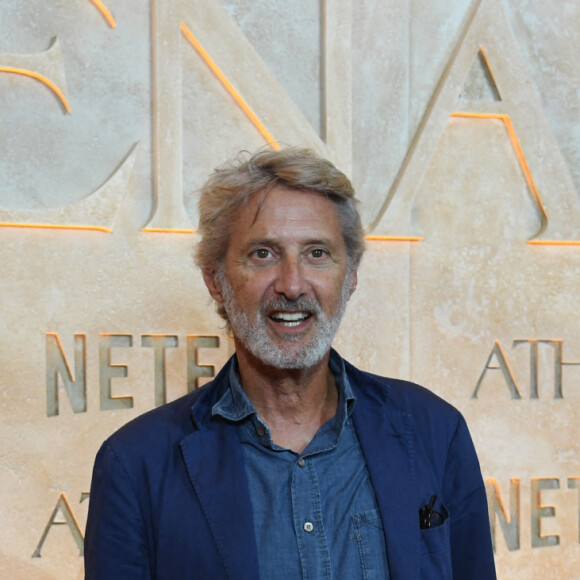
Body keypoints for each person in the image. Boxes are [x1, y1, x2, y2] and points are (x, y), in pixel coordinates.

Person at [84, 148, 496, 579]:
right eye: (263, 254)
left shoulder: (434, 430)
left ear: (350, 274)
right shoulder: (135, 464)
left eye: (317, 253)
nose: (293, 284)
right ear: (215, 280)